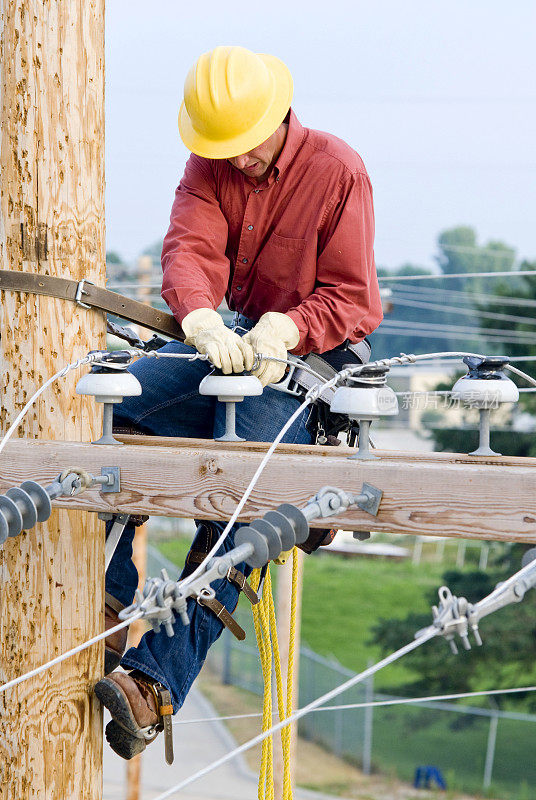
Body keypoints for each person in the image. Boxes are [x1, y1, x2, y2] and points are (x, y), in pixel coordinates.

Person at [95, 45, 383, 763]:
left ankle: (151, 685)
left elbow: (353, 298)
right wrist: (196, 316)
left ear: (280, 116)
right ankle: (102, 596)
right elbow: (191, 249)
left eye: (246, 146)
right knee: (113, 408)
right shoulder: (211, 166)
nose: (238, 160)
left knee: (249, 493)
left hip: (310, 368)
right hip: (232, 345)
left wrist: (289, 326)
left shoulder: (337, 170)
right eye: (223, 148)